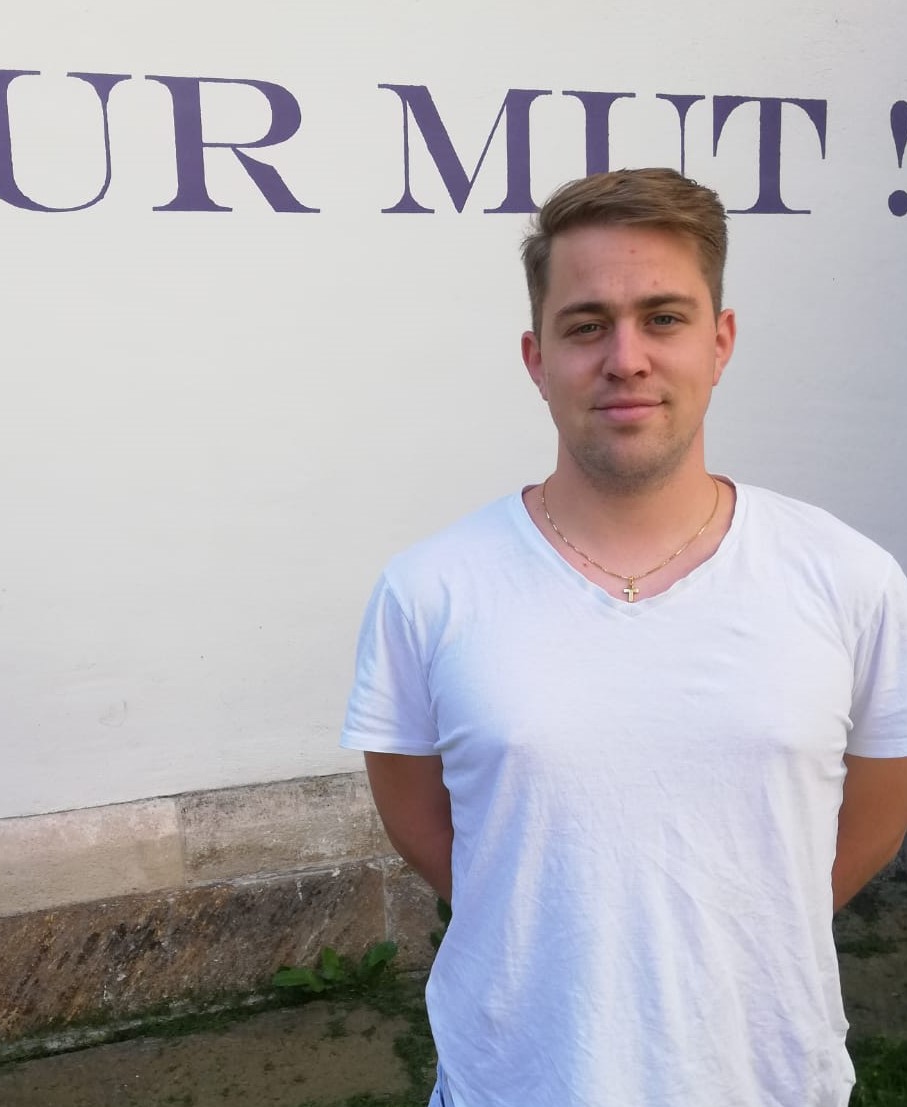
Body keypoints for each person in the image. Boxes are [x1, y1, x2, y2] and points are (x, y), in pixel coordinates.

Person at [340, 168, 907, 1107]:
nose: (626, 358)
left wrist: (751, 925)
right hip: (517, 1079)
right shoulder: (429, 588)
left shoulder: (848, 577)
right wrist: (544, 923)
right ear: (536, 357)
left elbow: (879, 815)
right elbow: (424, 825)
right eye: (586, 324)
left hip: (765, 1078)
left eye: (664, 317)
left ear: (719, 342)